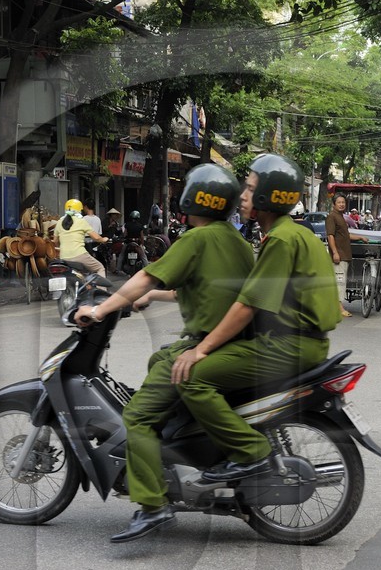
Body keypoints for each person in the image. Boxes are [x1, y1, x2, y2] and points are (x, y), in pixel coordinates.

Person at [74, 164, 253, 541]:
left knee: (136, 417)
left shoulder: (196, 238)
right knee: (157, 360)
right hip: (233, 341)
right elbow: (196, 284)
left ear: (194, 198)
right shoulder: (235, 240)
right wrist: (153, 297)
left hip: (210, 343)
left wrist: (100, 309)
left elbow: (146, 275)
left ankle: (152, 504)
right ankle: (173, 442)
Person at [170, 153, 340, 483]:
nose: (242, 196)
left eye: (249, 189)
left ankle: (252, 454)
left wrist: (201, 349)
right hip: (302, 343)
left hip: (287, 347)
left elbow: (249, 305)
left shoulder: (280, 239)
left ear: (267, 196)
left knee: (192, 375)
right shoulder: (296, 233)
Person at [54, 198, 107, 277]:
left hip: (63, 256)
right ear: (79, 210)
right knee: (100, 268)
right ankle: (101, 289)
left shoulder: (59, 222)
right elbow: (96, 238)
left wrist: (61, 247)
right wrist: (104, 239)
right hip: (79, 255)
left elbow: (56, 241)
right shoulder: (81, 221)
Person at [324, 193, 353, 319]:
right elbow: (330, 236)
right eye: (339, 202)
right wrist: (335, 252)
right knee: (340, 282)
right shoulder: (332, 217)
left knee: (340, 281)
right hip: (339, 255)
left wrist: (361, 237)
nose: (341, 204)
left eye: (343, 202)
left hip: (344, 254)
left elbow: (346, 235)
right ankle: (339, 308)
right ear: (334, 204)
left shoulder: (341, 217)